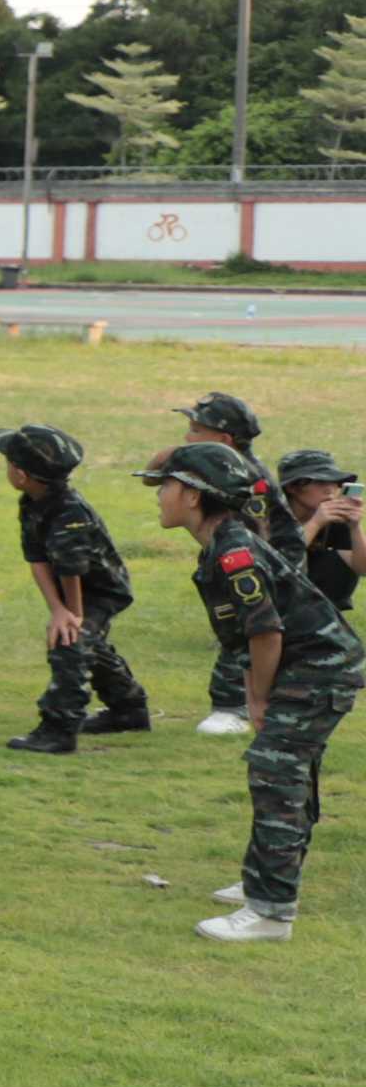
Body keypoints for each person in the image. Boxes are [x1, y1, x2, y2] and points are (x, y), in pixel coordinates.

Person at [141, 439, 358, 945]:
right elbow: (245, 637)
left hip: (318, 669)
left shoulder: (234, 553)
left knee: (277, 773)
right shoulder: (224, 543)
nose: (159, 496)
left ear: (194, 496)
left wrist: (256, 700)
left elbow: (267, 634)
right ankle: (265, 882)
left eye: (167, 487)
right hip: (307, 667)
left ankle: (271, 911)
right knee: (282, 771)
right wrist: (255, 689)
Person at [0, 425, 146, 752]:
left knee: (69, 644)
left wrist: (72, 616)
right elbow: (37, 559)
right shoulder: (32, 501)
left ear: (21, 474)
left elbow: (71, 568)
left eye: (8, 463)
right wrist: (57, 609)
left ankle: (59, 729)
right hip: (72, 587)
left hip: (101, 590)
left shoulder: (69, 512)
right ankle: (129, 709)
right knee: (86, 643)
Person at [171, 392, 287, 730]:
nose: (186, 437)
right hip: (251, 557)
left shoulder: (248, 478)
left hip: (272, 565)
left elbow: (257, 537)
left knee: (249, 626)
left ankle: (233, 707)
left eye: (195, 431)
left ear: (224, 440)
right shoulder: (224, 469)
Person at [281, 449, 362, 612]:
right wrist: (316, 523)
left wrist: (355, 528)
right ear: (293, 487)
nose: (330, 489)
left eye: (335, 482)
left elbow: (363, 568)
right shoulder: (272, 517)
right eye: (320, 482)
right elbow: (276, 563)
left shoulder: (335, 517)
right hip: (272, 602)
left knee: (338, 558)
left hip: (318, 609)